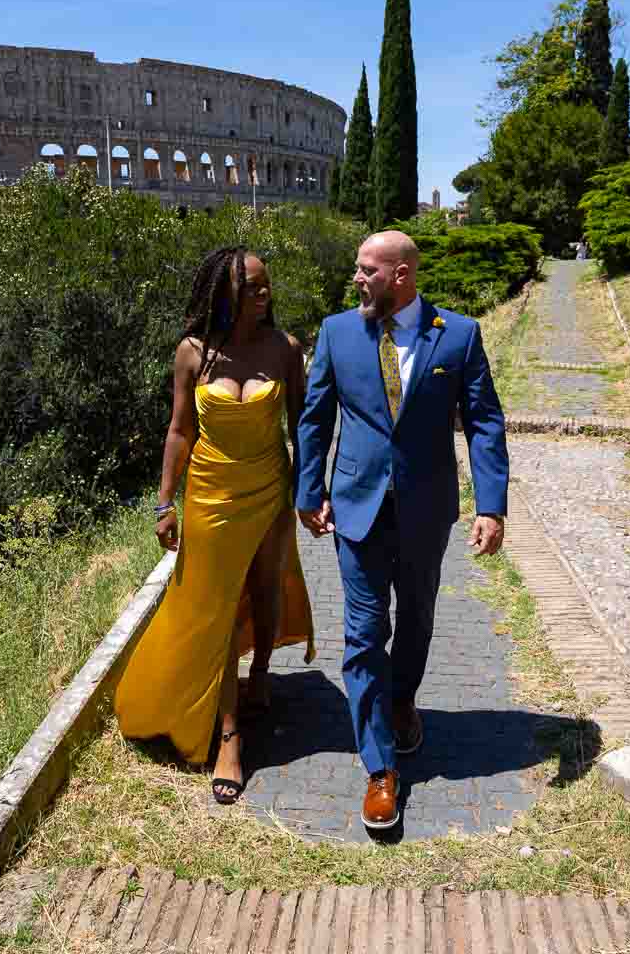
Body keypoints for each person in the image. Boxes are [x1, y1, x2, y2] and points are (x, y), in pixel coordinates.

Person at [296, 230, 508, 830]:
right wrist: (308, 494)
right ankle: (380, 769)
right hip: (356, 507)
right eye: (358, 269)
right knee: (364, 634)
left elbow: (485, 422)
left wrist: (491, 506)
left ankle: (404, 698)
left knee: (415, 617)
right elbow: (314, 419)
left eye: (368, 270)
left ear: (402, 276)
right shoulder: (338, 332)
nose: (357, 278)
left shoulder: (458, 335)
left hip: (426, 507)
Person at [115, 246, 315, 805]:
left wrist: (308, 490)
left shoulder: (285, 348)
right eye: (252, 286)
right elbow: (179, 431)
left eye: (266, 284)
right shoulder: (194, 354)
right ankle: (229, 736)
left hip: (271, 486)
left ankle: (264, 672)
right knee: (218, 606)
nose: (264, 293)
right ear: (223, 293)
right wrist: (164, 502)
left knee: (265, 588)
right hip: (210, 494)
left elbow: (303, 426)